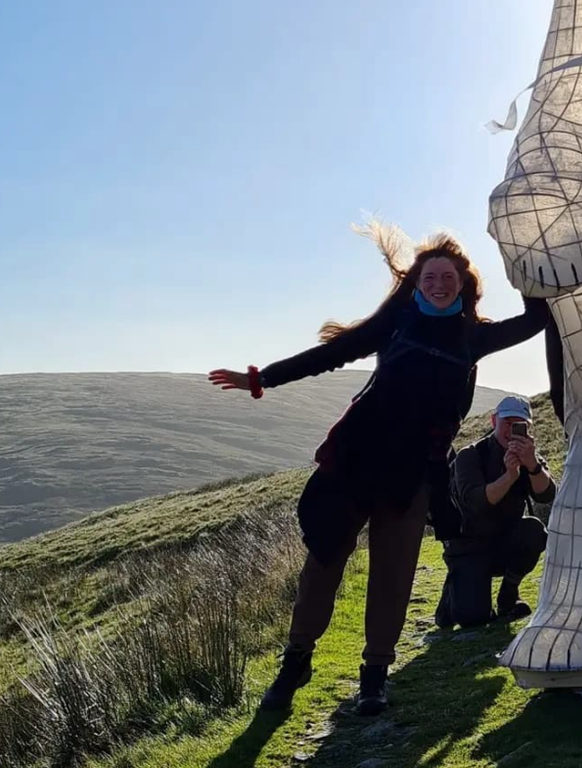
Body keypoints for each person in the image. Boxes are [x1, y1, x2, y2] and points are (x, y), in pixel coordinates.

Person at [207, 231, 549, 717]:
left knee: (393, 575)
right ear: (415, 283)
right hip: (354, 461)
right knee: (323, 562)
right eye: (428, 277)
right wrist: (262, 379)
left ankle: (374, 676)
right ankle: (296, 661)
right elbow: (331, 353)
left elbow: (537, 318)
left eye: (447, 278)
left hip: (411, 474)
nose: (437, 285)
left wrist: (528, 258)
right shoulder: (396, 323)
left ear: (464, 285)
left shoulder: (474, 337)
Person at [435, 394, 556, 628]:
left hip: (505, 541)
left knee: (534, 531)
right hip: (468, 546)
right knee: (473, 618)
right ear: (493, 422)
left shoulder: (529, 456)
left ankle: (508, 594)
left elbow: (547, 494)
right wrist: (510, 477)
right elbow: (476, 502)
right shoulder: (470, 455)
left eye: (520, 425)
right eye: (507, 423)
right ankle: (451, 597)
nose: (512, 431)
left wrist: (532, 466)